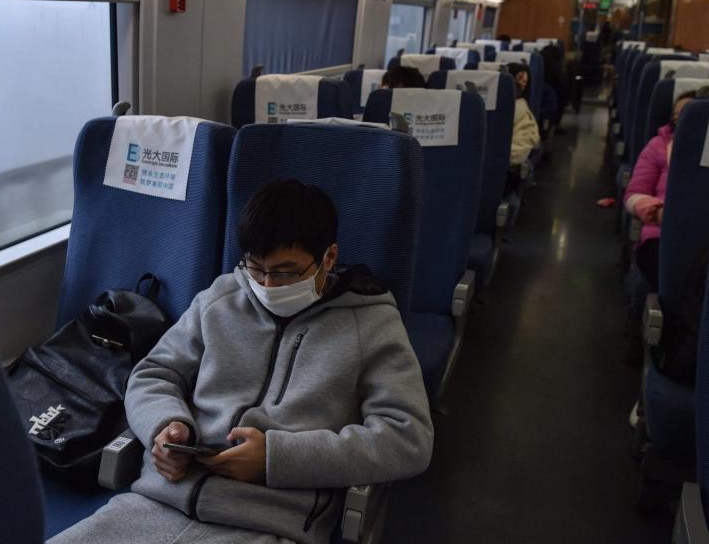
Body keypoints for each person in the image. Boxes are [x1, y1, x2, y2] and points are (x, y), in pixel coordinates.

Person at [49, 180, 434, 544]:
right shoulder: (221, 299)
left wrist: (276, 458)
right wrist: (165, 426)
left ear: (328, 258)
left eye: (286, 272)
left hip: (269, 522)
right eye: (256, 268)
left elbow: (407, 437)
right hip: (155, 502)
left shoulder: (369, 323)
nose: (267, 285)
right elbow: (154, 373)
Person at [623, 90, 696, 291]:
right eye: (677, 116)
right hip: (661, 233)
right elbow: (632, 195)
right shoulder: (659, 146)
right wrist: (657, 211)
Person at [507, 62, 541, 175]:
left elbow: (516, 153)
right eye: (519, 78)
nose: (522, 83)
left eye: (525, 81)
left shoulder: (523, 115)